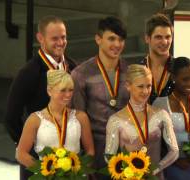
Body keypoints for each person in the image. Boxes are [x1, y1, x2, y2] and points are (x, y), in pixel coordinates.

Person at [4, 15, 76, 180]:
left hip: (70, 156)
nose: (60, 42)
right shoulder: (28, 73)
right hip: (38, 159)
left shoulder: (73, 67)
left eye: (63, 37)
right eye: (55, 38)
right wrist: (28, 145)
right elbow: (11, 117)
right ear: (40, 38)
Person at [71, 16, 129, 179]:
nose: (117, 45)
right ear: (98, 39)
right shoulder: (81, 74)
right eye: (111, 38)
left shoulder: (131, 72)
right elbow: (77, 118)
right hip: (95, 149)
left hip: (127, 150)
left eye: (121, 39)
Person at [105, 64, 179, 180]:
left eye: (149, 86)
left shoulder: (161, 115)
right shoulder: (115, 120)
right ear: (128, 86)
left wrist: (156, 169)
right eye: (140, 86)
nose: (145, 91)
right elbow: (109, 155)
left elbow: (174, 151)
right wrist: (126, 171)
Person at [16, 70, 94, 168]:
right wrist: (45, 171)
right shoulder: (34, 120)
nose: (68, 94)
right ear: (49, 91)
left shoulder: (81, 117)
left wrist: (78, 171)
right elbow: (21, 154)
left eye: (70, 90)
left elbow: (90, 151)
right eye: (63, 90)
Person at [139, 13, 190, 103]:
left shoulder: (183, 69)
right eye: (158, 37)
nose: (164, 42)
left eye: (168, 37)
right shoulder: (138, 69)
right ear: (147, 38)